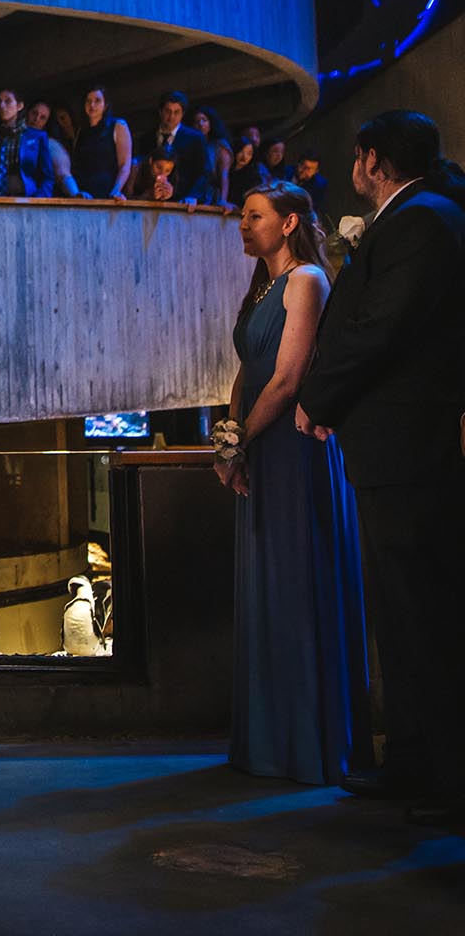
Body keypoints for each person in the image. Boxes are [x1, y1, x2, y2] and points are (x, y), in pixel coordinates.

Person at [297, 110, 465, 823]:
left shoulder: (422, 220)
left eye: (357, 156)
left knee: (423, 617)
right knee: (401, 617)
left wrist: (319, 397)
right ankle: (413, 761)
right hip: (394, 445)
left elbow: (379, 329)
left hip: (408, 447)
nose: (354, 168)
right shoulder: (420, 215)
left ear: (372, 161)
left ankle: (450, 783)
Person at [217, 182, 367, 785]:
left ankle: (305, 746)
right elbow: (245, 372)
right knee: (268, 583)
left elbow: (287, 379)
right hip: (257, 440)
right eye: (243, 215)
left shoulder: (307, 280)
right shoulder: (262, 287)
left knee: (296, 580)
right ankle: (270, 741)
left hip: (292, 447)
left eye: (254, 216)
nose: (242, 224)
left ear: (287, 223)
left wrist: (242, 441)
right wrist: (228, 442)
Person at [146, 90, 212, 203]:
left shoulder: (195, 139)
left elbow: (204, 172)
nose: (171, 116)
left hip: (183, 203)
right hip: (152, 201)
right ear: (160, 111)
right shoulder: (147, 138)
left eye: (176, 112)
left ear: (182, 114)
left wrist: (193, 196)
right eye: (168, 111)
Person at [194, 105, 234, 209]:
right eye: (197, 121)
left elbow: (224, 175)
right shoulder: (191, 145)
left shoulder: (219, 146)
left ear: (211, 123)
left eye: (204, 120)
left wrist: (223, 200)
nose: (201, 124)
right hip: (193, 194)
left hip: (211, 196)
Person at [228, 125, 271, 206]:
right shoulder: (226, 171)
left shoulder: (253, 176)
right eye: (241, 151)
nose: (244, 157)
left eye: (249, 153)